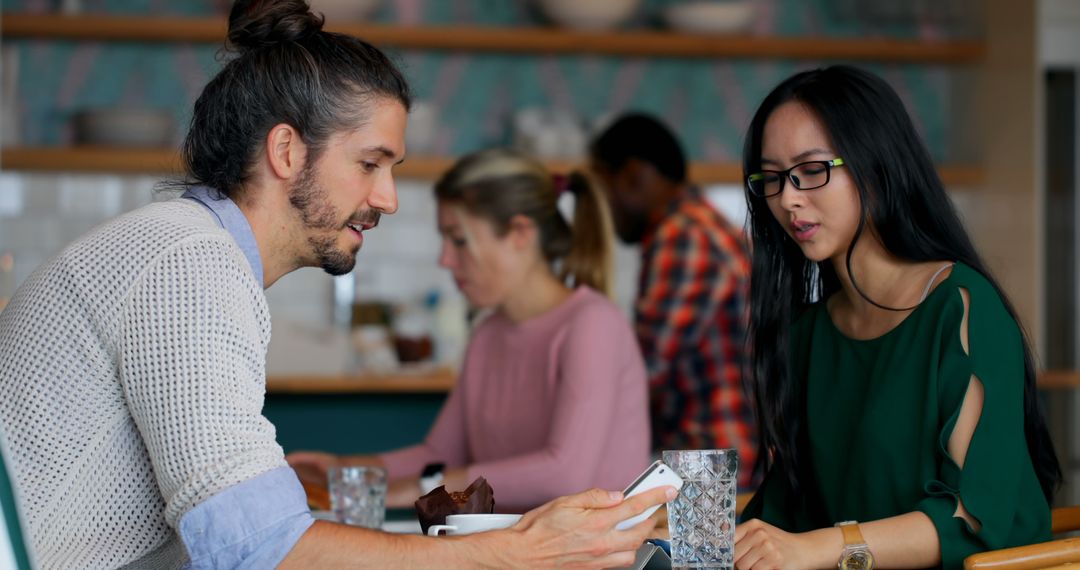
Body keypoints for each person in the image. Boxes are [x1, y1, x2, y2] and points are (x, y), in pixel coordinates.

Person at [0, 1, 674, 568]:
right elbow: (261, 547)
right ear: (287, 151)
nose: (388, 198)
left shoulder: (189, 251)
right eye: (369, 164)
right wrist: (513, 547)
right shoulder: (190, 265)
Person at [733, 65, 1061, 570]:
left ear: (875, 164)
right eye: (771, 178)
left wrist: (818, 548)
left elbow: (970, 517)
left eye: (812, 169)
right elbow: (789, 511)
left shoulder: (961, 307)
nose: (788, 198)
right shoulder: (808, 335)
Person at [287, 148, 651, 512]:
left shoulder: (592, 324)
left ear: (520, 234)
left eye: (459, 240)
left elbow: (564, 475)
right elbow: (440, 454)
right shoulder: (488, 335)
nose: (445, 260)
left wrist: (417, 491)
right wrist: (348, 471)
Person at [588, 113, 756, 487]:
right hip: (724, 459)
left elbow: (642, 369)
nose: (602, 208)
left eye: (602, 187)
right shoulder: (700, 223)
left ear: (633, 175)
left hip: (716, 467)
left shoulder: (684, 235)